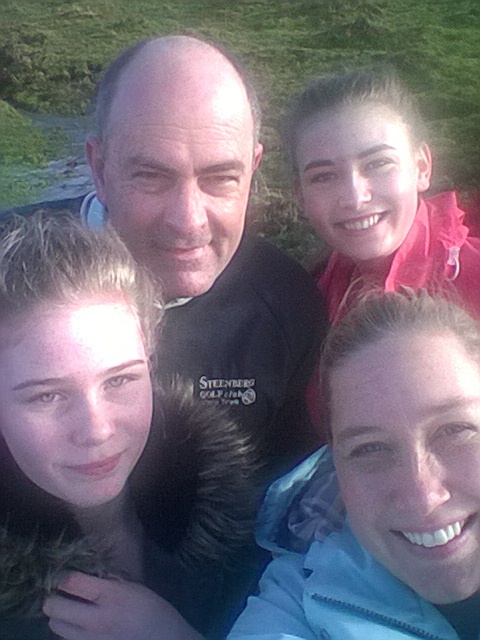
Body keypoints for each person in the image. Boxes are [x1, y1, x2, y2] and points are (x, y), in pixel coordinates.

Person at [2, 34, 325, 476]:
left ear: (252, 169)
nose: (188, 220)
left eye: (220, 178)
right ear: (99, 168)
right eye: (152, 176)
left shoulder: (288, 306)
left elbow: (285, 493)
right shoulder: (6, 273)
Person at [0, 213, 259, 640]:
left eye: (119, 380)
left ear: (150, 366)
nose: (96, 430)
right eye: (46, 396)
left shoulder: (248, 518)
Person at [228, 289, 480, 639]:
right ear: (335, 464)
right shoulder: (297, 605)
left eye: (455, 430)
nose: (423, 497)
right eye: (370, 449)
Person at [284, 66, 480, 325]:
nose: (355, 198)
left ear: (421, 168)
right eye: (324, 176)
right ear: (301, 196)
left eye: (378, 163)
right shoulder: (301, 306)